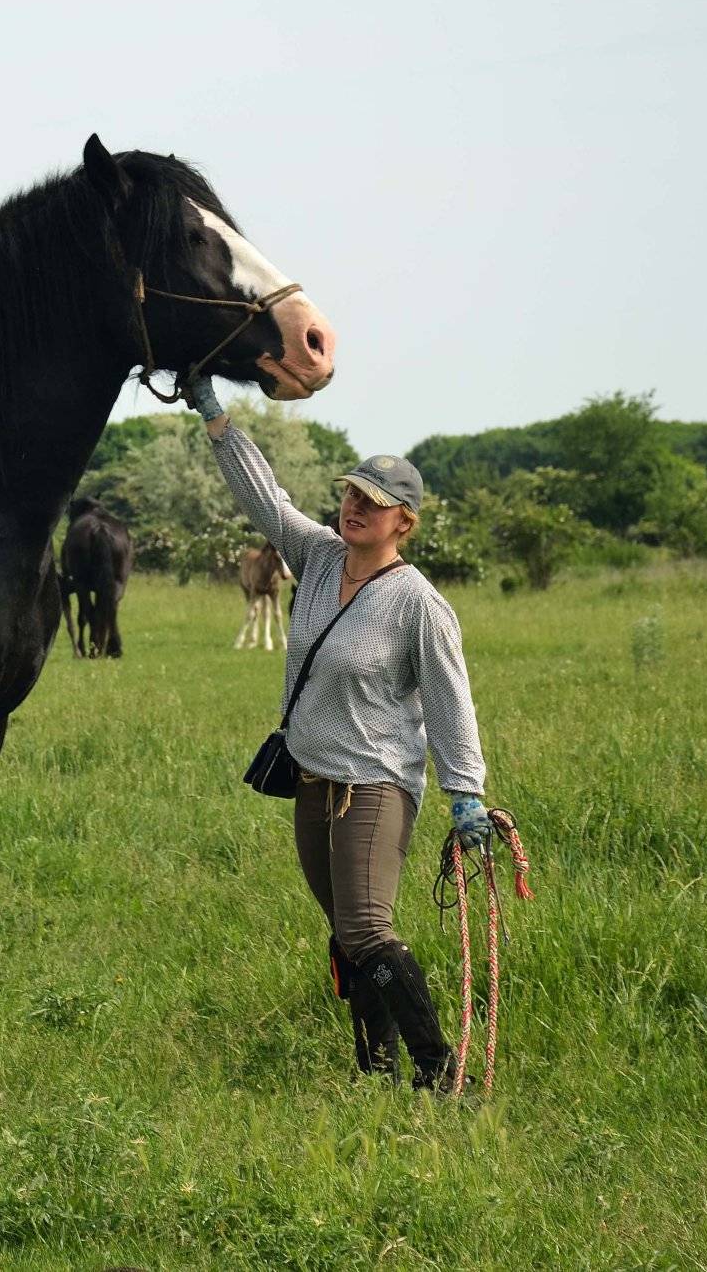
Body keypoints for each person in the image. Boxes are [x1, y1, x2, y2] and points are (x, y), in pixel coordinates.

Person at [183, 374, 492, 1089]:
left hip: (375, 786)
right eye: (351, 494)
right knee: (347, 934)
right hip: (311, 781)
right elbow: (266, 499)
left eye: (373, 503)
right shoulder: (318, 556)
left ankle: (438, 1070)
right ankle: (374, 1064)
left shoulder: (420, 605)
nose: (354, 508)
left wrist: (465, 793)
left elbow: (452, 702)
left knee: (365, 927)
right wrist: (215, 417)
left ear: (403, 521)